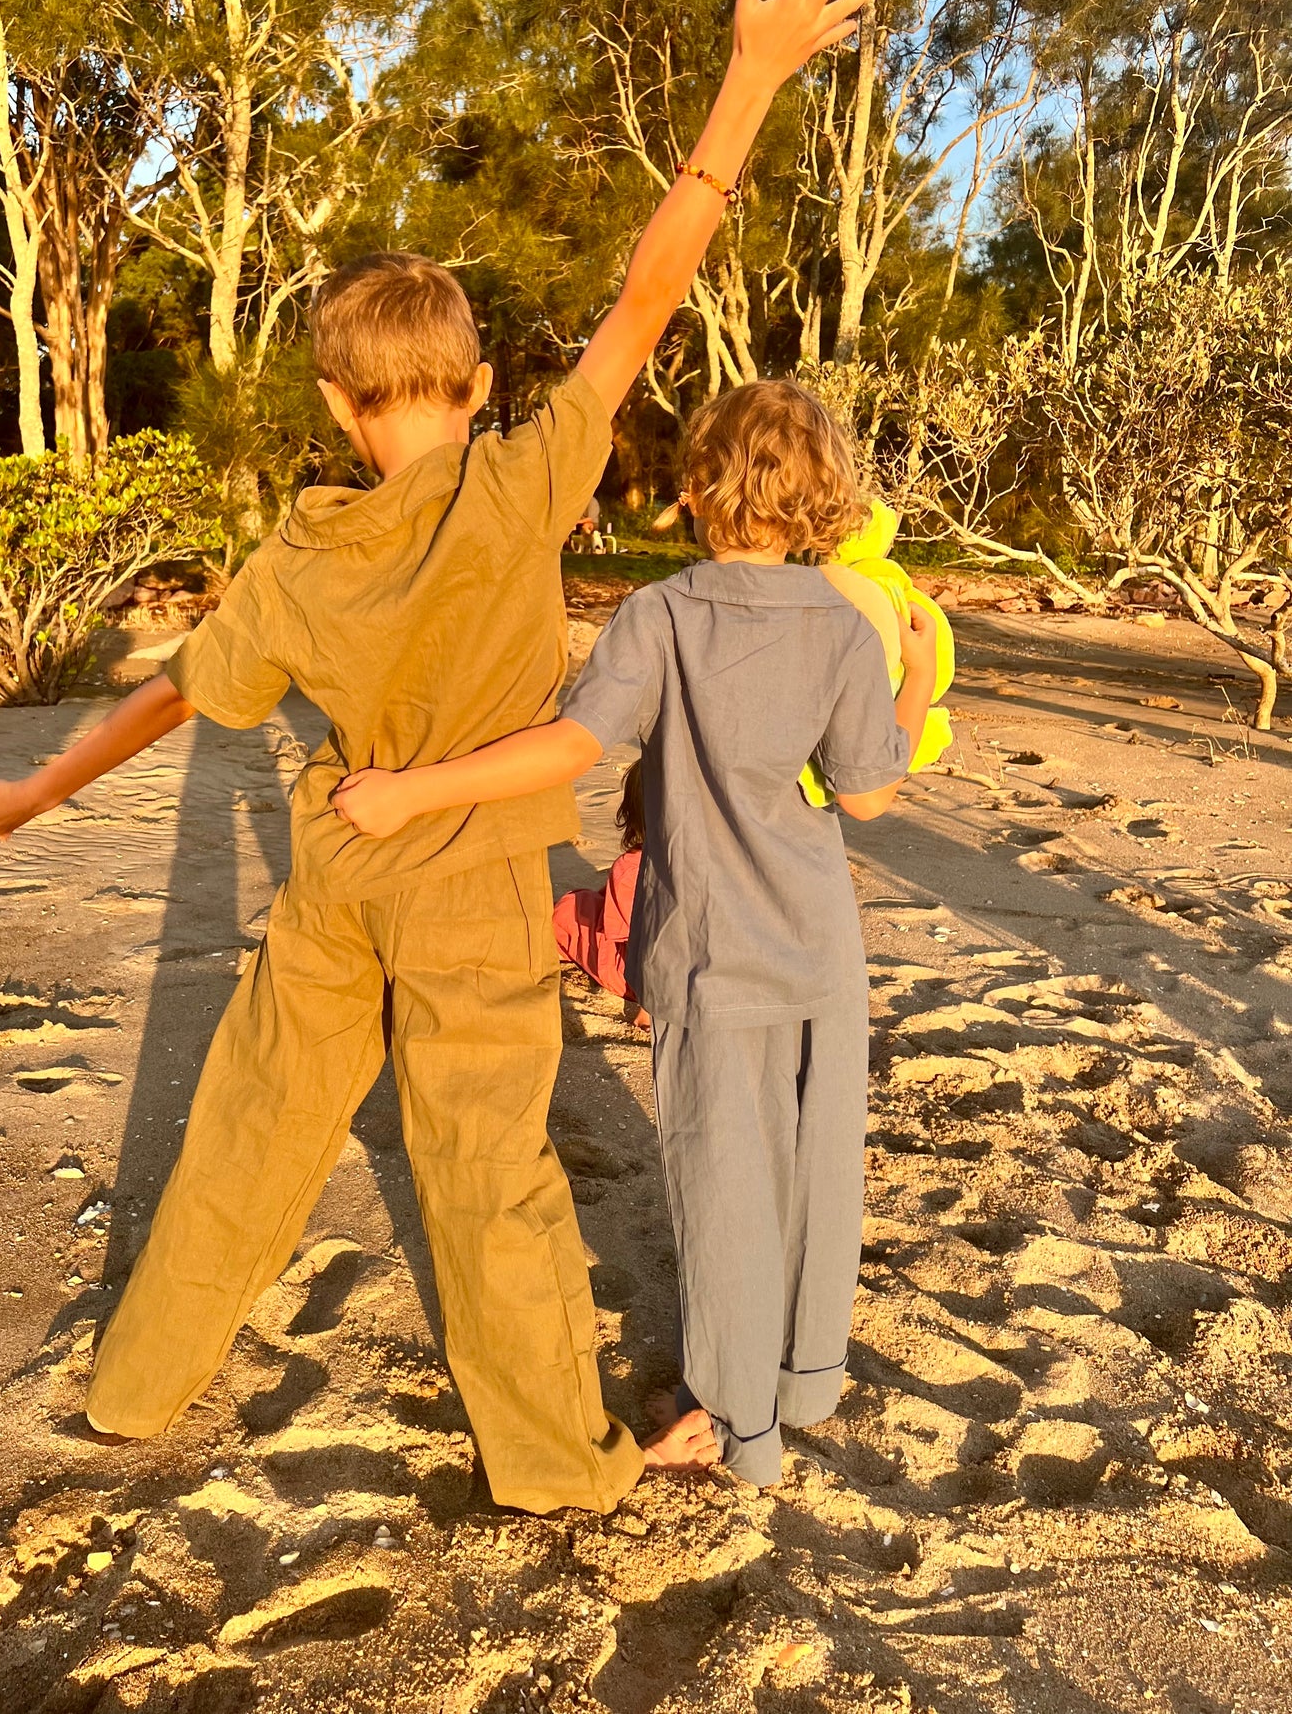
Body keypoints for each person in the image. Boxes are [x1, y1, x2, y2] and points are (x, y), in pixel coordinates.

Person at [0, 0, 884, 1512]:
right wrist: (747, 82)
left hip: (333, 869)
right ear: (479, 375)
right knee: (489, 1171)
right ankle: (556, 1467)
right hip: (475, 876)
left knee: (246, 1123)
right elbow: (652, 290)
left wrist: (33, 796)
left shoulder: (299, 546)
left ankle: (136, 1382)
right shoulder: (521, 482)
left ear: (335, 405)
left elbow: (176, 689)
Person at [333, 381, 940, 1489]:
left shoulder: (659, 617)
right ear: (820, 495)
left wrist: (412, 791)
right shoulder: (847, 626)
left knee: (723, 1175)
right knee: (815, 1167)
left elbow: (569, 749)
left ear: (700, 485)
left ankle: (736, 1422)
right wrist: (920, 679)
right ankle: (807, 1379)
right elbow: (865, 797)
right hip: (818, 942)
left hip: (709, 948)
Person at [553, 758, 648, 1022]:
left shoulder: (632, 870)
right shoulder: (708, 864)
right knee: (596, 905)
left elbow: (643, 945)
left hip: (636, 979)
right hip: (699, 970)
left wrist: (650, 1006)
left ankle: (552, 947)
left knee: (571, 910)